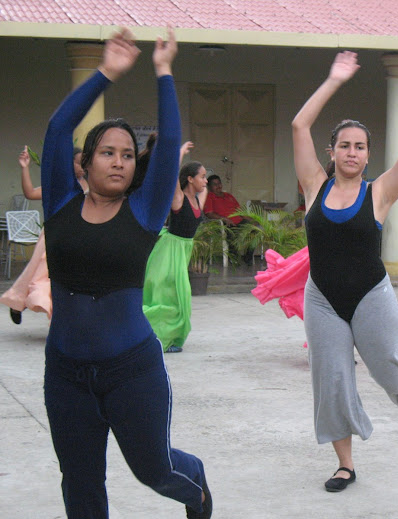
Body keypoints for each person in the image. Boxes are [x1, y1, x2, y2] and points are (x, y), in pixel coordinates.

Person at [40, 28, 212, 518]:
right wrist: (106, 73)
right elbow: (56, 129)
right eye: (107, 152)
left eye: (127, 155)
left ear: (138, 168)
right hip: (66, 372)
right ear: (86, 162)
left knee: (155, 472)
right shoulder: (60, 203)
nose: (118, 161)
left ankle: (197, 489)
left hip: (131, 370)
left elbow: (172, 137)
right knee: (80, 480)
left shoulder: (144, 210)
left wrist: (162, 71)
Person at [292, 50, 398, 492]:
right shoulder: (314, 185)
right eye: (344, 145)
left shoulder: (379, 192)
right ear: (332, 151)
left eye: (360, 146)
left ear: (367, 154)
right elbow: (300, 125)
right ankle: (345, 464)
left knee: (387, 366)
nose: (352, 152)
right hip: (322, 298)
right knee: (332, 380)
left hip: (370, 293)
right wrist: (334, 79)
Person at [2, 146, 86, 324]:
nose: (83, 167)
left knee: (66, 278)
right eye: (79, 162)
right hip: (54, 236)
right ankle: (19, 302)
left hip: (77, 238)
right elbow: (30, 193)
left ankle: (59, 318)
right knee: (38, 273)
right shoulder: (58, 185)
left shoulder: (90, 185)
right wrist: (25, 167)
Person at [143, 146, 209, 353]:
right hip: (168, 251)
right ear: (190, 179)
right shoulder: (178, 199)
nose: (206, 181)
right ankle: (157, 337)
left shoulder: (199, 198)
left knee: (180, 297)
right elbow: (171, 176)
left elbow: (202, 189)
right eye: (202, 177)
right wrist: (178, 154)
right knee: (165, 296)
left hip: (183, 251)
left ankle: (169, 337)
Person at [203, 174, 253, 265]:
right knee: (231, 231)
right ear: (210, 187)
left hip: (238, 222)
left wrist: (249, 219)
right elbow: (209, 214)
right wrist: (224, 219)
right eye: (215, 184)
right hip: (223, 224)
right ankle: (234, 257)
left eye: (219, 183)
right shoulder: (209, 197)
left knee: (253, 231)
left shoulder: (229, 196)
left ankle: (247, 257)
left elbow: (239, 211)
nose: (218, 186)